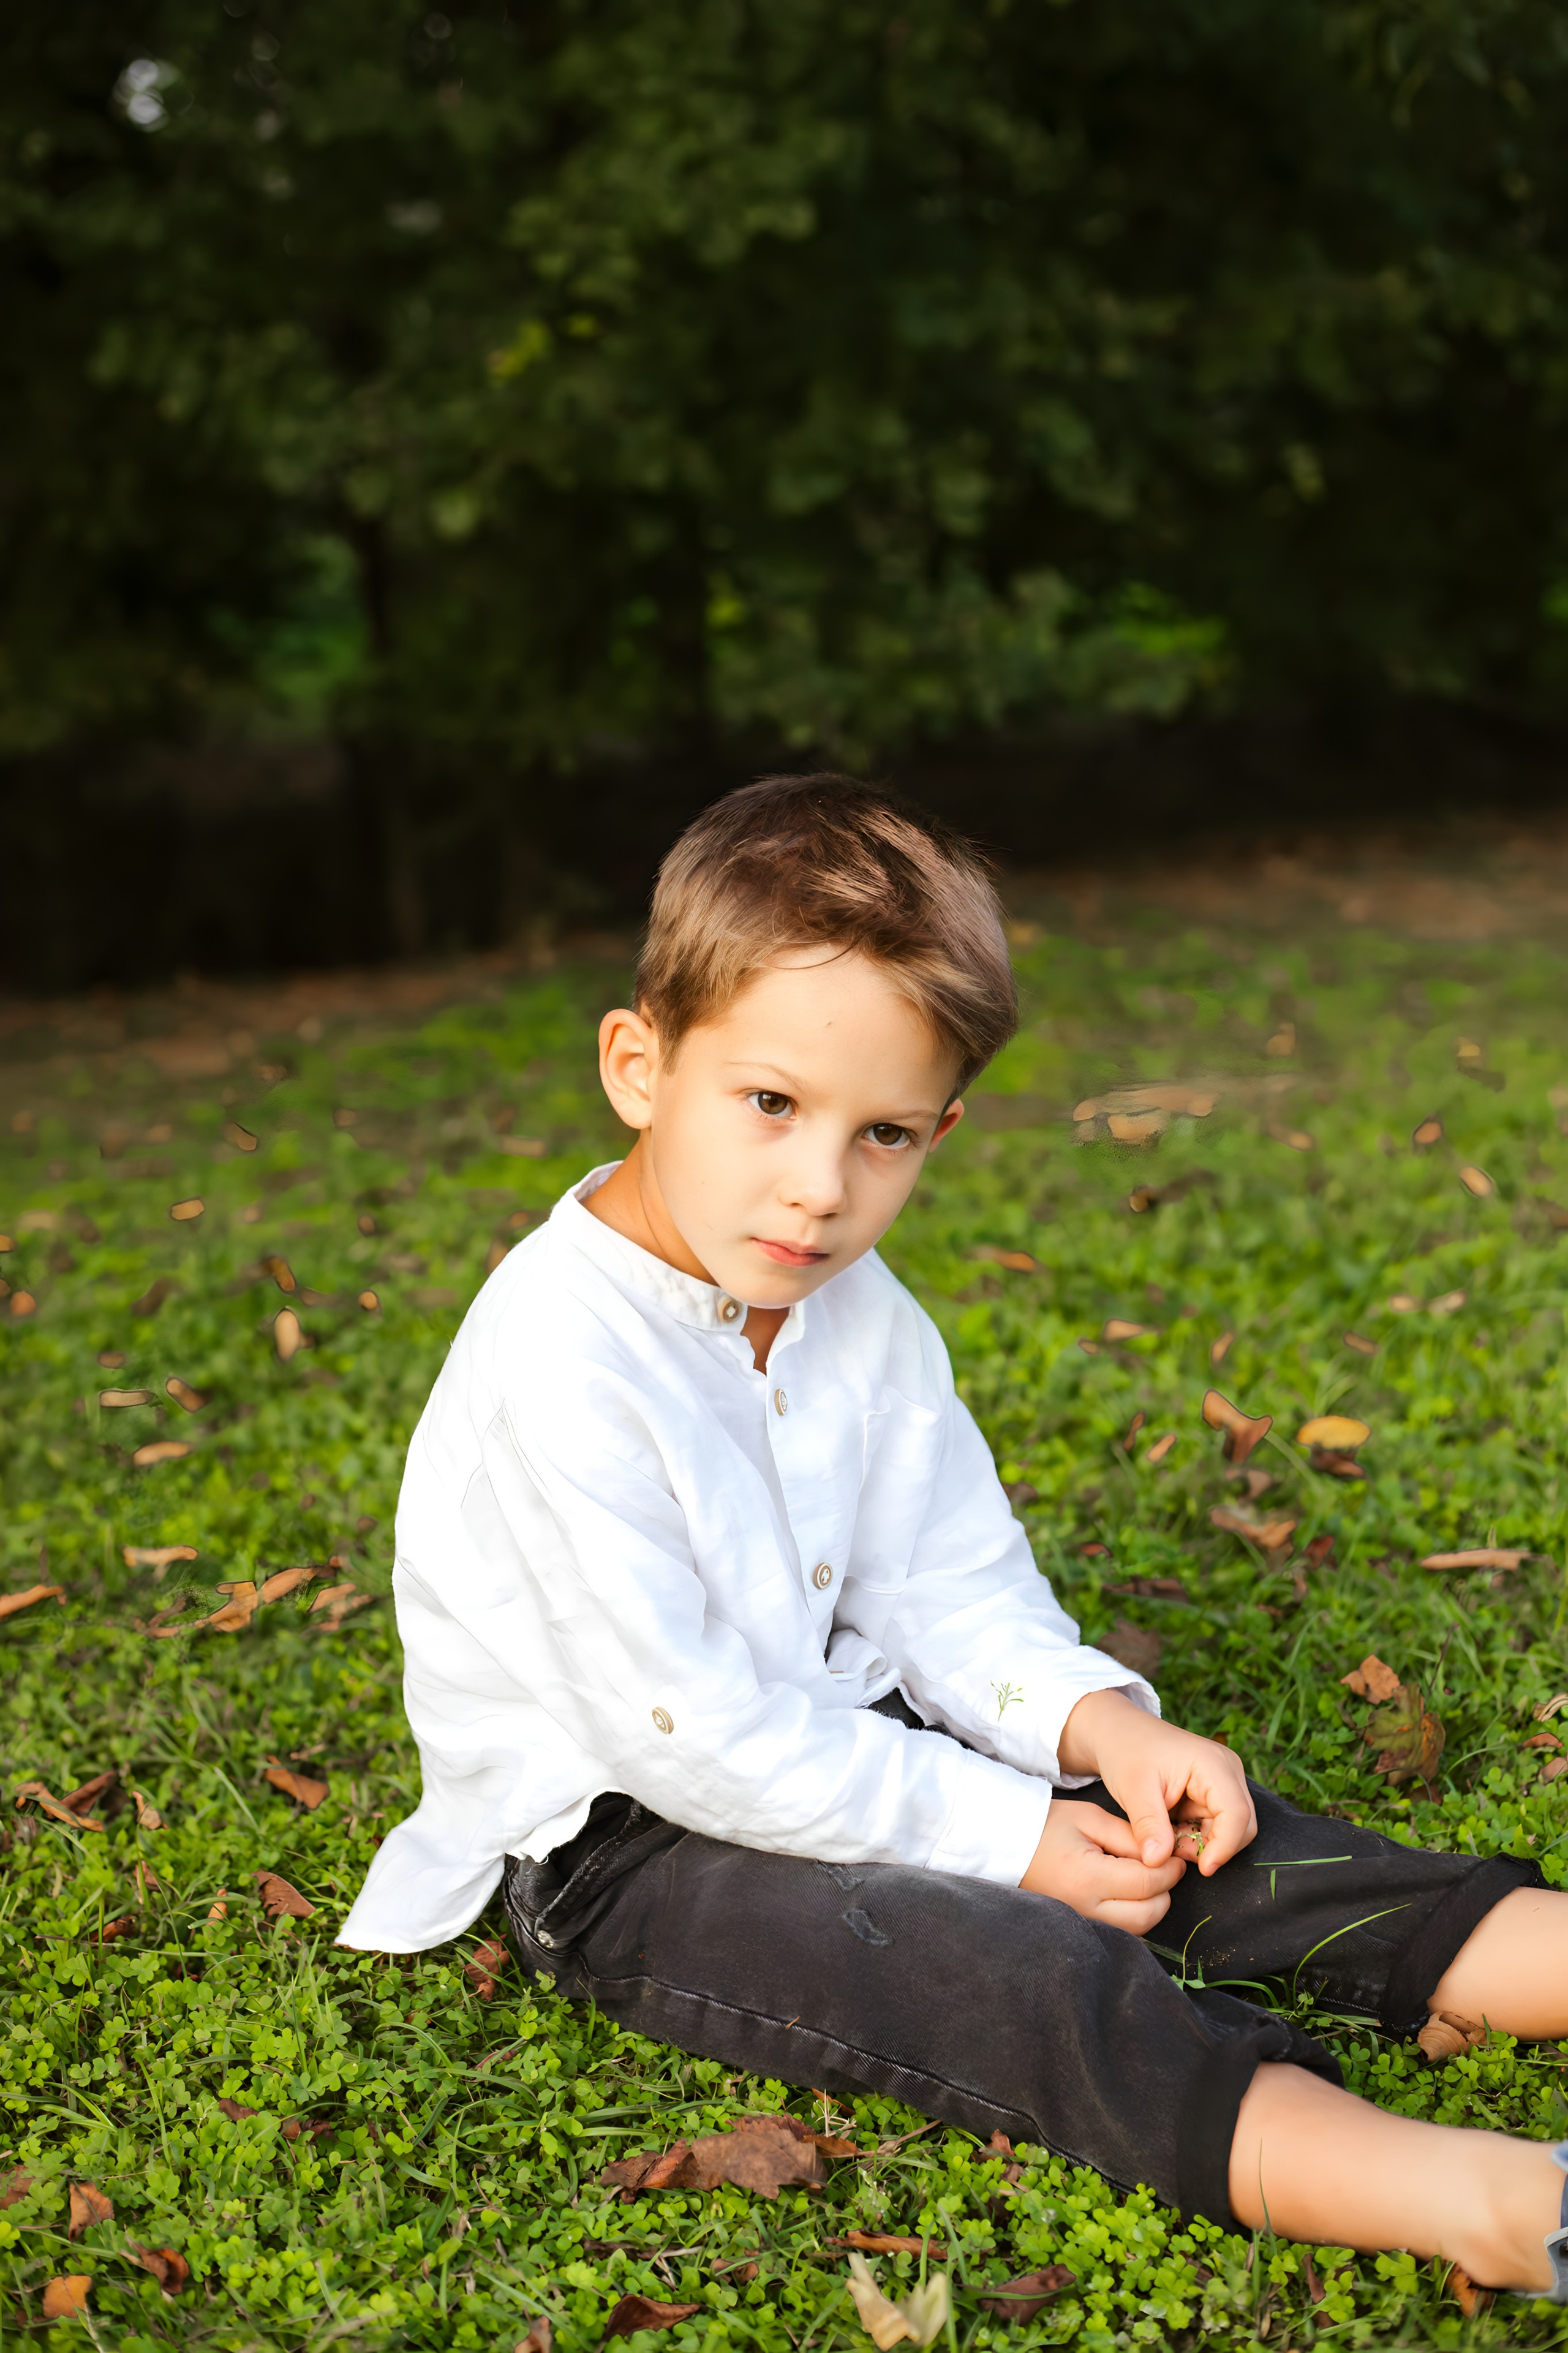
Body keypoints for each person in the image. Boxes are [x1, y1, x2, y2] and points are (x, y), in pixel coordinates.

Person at [340, 772, 1568, 2298]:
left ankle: (1523, 1952)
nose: (819, 1189)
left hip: (840, 1723)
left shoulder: (855, 1310)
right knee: (1000, 1956)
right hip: (625, 1836)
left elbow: (942, 1580)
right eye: (770, 1104)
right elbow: (693, 1735)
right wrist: (1003, 1836)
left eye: (886, 1136)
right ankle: (1484, 2196)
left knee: (1182, 1833)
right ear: (638, 1065)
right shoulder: (556, 1354)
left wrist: (1089, 1721)